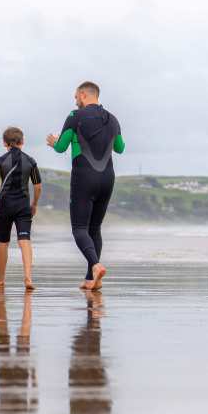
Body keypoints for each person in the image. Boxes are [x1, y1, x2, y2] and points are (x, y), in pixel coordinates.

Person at [46, 81, 125, 290]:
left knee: (80, 228)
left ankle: (96, 266)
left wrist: (54, 141)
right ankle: (91, 279)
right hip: (107, 178)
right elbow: (120, 148)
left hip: (84, 177)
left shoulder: (75, 116)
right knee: (95, 228)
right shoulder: (113, 119)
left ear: (83, 95)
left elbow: (61, 147)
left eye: (75, 97)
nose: (75, 101)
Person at [0, 127, 42, 290]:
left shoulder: (0, 161)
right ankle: (28, 278)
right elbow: (38, 186)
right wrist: (34, 204)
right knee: (24, 240)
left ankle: (1, 280)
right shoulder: (31, 161)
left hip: (5, 206)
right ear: (22, 142)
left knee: (3, 241)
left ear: (4, 143)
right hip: (23, 205)